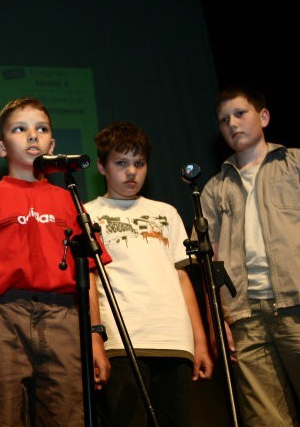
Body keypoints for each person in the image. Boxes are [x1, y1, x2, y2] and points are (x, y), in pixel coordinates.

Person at [0, 96, 111, 427]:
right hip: (1, 318)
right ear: (0, 147)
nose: (32, 136)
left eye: (41, 129)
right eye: (20, 129)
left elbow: (89, 275)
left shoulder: (69, 201)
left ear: (52, 143)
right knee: (0, 414)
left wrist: (96, 337)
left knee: (68, 414)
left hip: (64, 319)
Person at [200, 84, 300, 426]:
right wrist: (217, 318)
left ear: (263, 116)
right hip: (244, 317)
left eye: (240, 114)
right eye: (223, 119)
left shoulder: (299, 162)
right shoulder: (216, 188)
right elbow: (208, 259)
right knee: (264, 420)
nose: (232, 124)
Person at [84, 121, 213, 427]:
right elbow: (89, 281)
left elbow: (182, 278)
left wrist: (200, 341)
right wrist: (95, 340)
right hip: (122, 339)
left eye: (139, 163)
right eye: (121, 163)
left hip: (173, 338)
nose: (131, 172)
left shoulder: (166, 212)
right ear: (102, 167)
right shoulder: (88, 213)